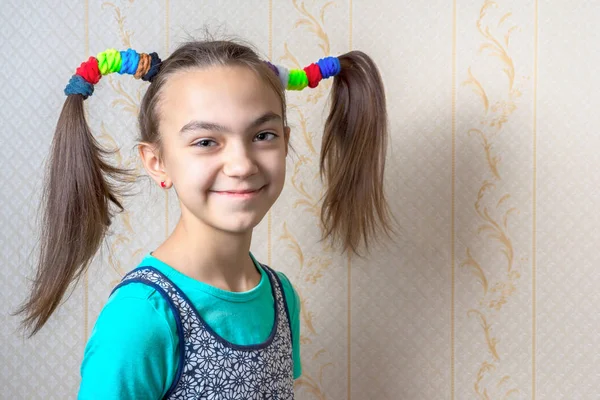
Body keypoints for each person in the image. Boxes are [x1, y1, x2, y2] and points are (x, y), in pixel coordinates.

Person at [13, 38, 393, 399]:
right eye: (206, 142)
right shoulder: (140, 317)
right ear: (157, 162)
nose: (242, 164)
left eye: (263, 135)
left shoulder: (281, 296)